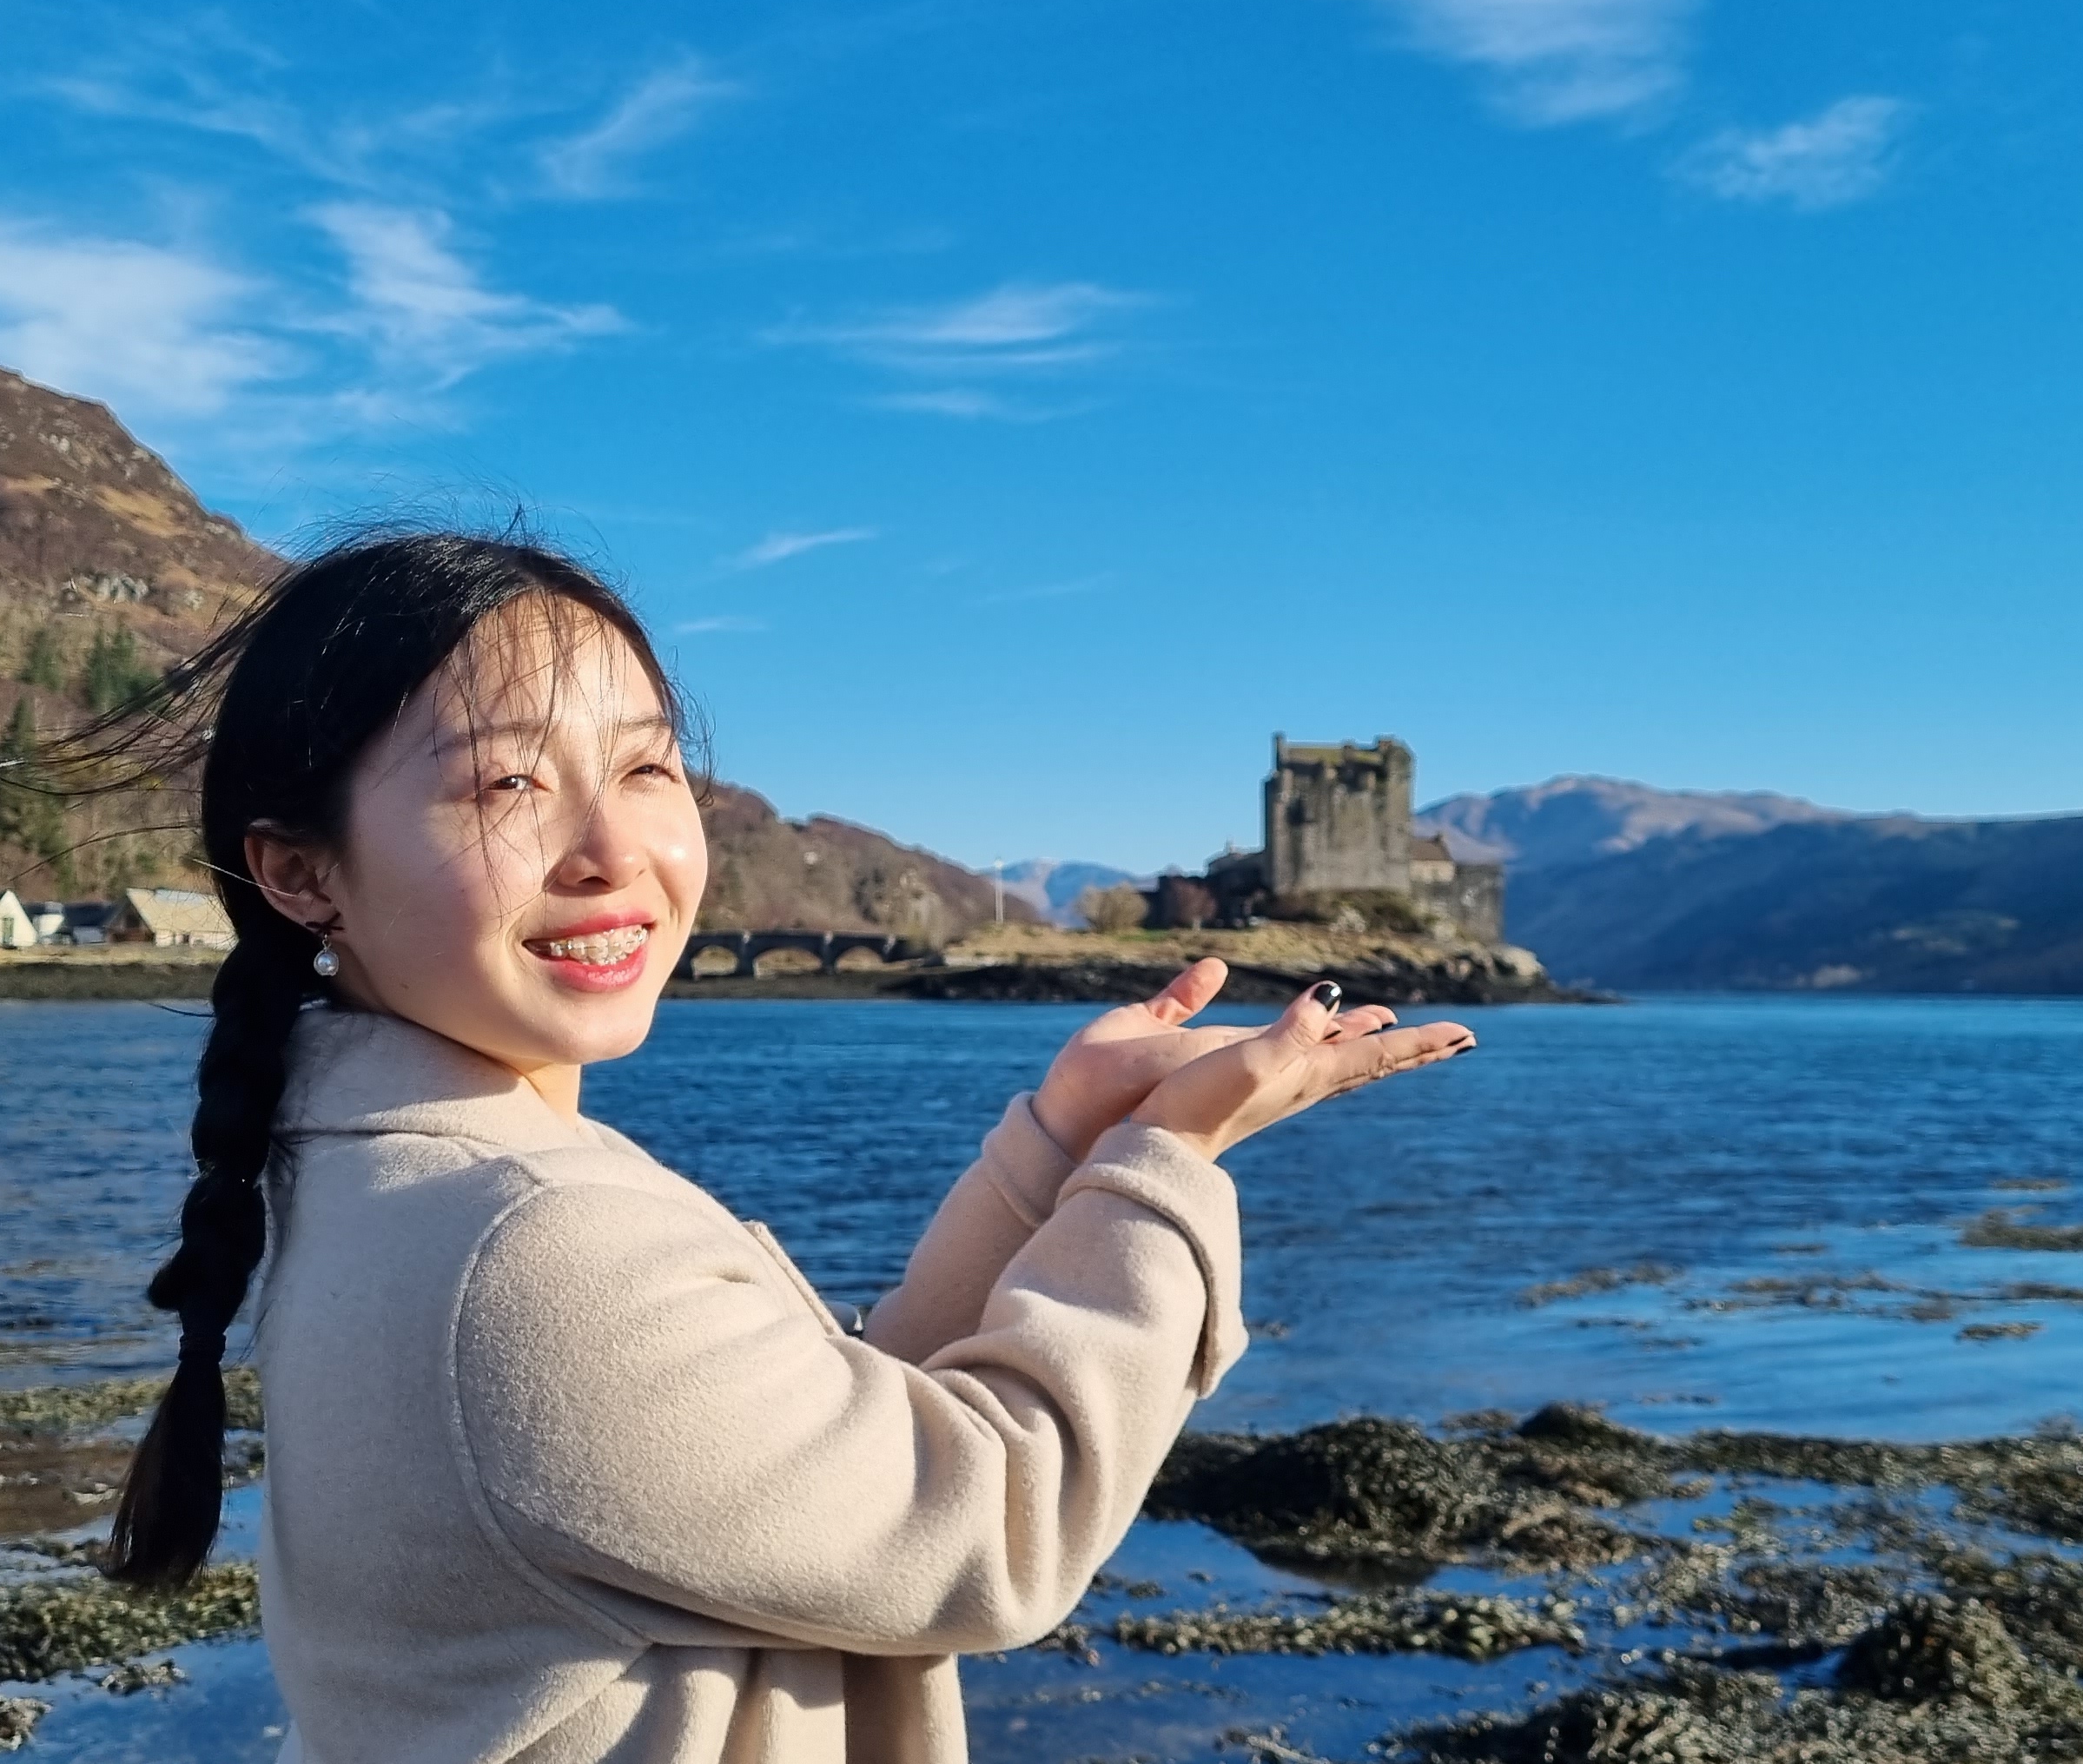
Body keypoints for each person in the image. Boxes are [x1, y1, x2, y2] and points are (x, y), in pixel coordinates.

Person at [92, 530, 1473, 1763]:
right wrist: (1168, 1161)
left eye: (646, 766)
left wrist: (1063, 1141)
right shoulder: (529, 1248)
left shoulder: (366, 1173)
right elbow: (991, 1529)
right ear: (302, 873)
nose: (612, 849)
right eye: (507, 782)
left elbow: (837, 1440)